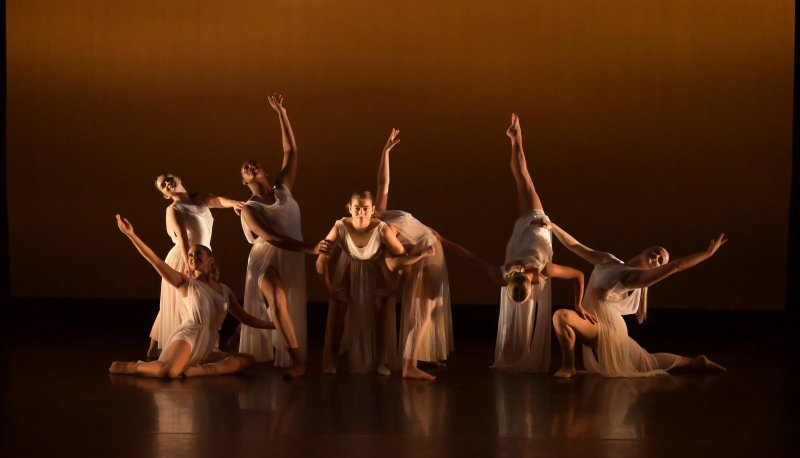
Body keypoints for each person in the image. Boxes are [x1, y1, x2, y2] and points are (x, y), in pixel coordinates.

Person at [439, 114, 585, 372]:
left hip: (534, 227)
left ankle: (516, 139)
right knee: (522, 178)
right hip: (528, 230)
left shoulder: (528, 273)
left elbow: (578, 275)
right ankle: (515, 139)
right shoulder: (511, 275)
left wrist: (579, 304)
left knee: (524, 179)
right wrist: (442, 240)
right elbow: (470, 258)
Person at [547, 220, 727, 378]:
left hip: (605, 328)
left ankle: (568, 366)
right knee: (647, 360)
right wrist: (553, 226)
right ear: (647, 249)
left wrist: (707, 254)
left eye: (659, 261)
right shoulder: (609, 260)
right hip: (596, 322)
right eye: (657, 252)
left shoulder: (633, 278)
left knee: (561, 316)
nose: (656, 257)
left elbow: (676, 265)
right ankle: (696, 362)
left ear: (655, 270)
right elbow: (577, 247)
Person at [110, 215, 274, 378]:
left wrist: (274, 326)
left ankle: (198, 371)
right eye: (189, 256)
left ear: (210, 259)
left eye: (197, 254)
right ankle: (130, 367)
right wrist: (131, 235)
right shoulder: (185, 283)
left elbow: (246, 319)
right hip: (189, 335)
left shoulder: (225, 290)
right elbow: (155, 260)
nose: (192, 257)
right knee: (168, 371)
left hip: (209, 341)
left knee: (248, 360)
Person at [237, 93, 320, 379]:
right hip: (265, 258)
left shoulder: (283, 188)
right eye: (245, 168)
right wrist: (310, 249)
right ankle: (298, 362)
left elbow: (291, 152)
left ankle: (237, 331)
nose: (250, 166)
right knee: (278, 296)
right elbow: (271, 237)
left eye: (254, 163)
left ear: (263, 170)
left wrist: (281, 114)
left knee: (278, 305)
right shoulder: (249, 208)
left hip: (291, 255)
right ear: (244, 181)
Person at [316, 191, 434, 375]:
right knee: (339, 308)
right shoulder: (340, 226)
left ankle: (381, 362)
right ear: (349, 208)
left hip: (376, 269)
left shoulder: (382, 229)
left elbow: (402, 261)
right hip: (350, 267)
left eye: (365, 209)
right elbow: (321, 261)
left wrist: (395, 287)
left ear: (372, 210)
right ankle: (332, 361)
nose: (361, 213)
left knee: (381, 312)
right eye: (357, 209)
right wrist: (329, 289)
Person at [374, 129, 453, 381]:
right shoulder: (385, 233)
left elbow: (383, 183)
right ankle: (409, 365)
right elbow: (397, 263)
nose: (367, 211)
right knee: (424, 308)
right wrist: (420, 255)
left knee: (431, 307)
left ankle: (421, 355)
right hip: (427, 254)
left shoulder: (381, 215)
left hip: (432, 249)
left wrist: (385, 152)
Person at [147, 173, 243, 360]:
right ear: (165, 195)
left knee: (176, 304)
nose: (168, 183)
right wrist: (188, 263)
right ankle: (157, 347)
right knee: (177, 304)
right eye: (163, 185)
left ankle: (153, 347)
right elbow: (182, 237)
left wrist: (234, 203)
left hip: (201, 255)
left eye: (168, 178)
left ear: (179, 178)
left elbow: (219, 201)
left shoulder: (201, 198)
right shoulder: (174, 209)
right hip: (186, 256)